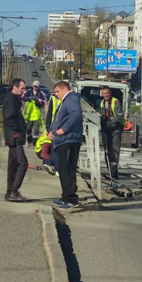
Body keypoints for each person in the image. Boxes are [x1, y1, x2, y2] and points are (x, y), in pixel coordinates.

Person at [49, 81, 84, 209]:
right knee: (63, 170)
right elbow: (58, 119)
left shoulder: (71, 99)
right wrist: (51, 131)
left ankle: (71, 199)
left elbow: (76, 114)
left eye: (57, 91)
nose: (56, 94)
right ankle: (65, 197)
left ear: (64, 89)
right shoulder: (65, 101)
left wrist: (64, 129)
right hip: (63, 141)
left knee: (68, 170)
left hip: (69, 140)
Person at [2, 78, 29, 202]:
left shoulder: (15, 99)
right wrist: (20, 129)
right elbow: (8, 119)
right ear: (15, 87)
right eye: (22, 88)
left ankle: (10, 192)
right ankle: (13, 191)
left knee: (13, 165)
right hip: (14, 136)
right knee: (23, 163)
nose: (24, 91)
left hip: (14, 136)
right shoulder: (11, 99)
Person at [99, 86, 125, 179]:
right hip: (106, 129)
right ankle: (111, 171)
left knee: (114, 151)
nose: (105, 95)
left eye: (107, 93)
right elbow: (102, 115)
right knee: (107, 151)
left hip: (116, 129)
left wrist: (111, 123)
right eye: (104, 93)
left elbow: (120, 115)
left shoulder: (115, 101)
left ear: (110, 93)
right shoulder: (102, 102)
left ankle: (113, 173)